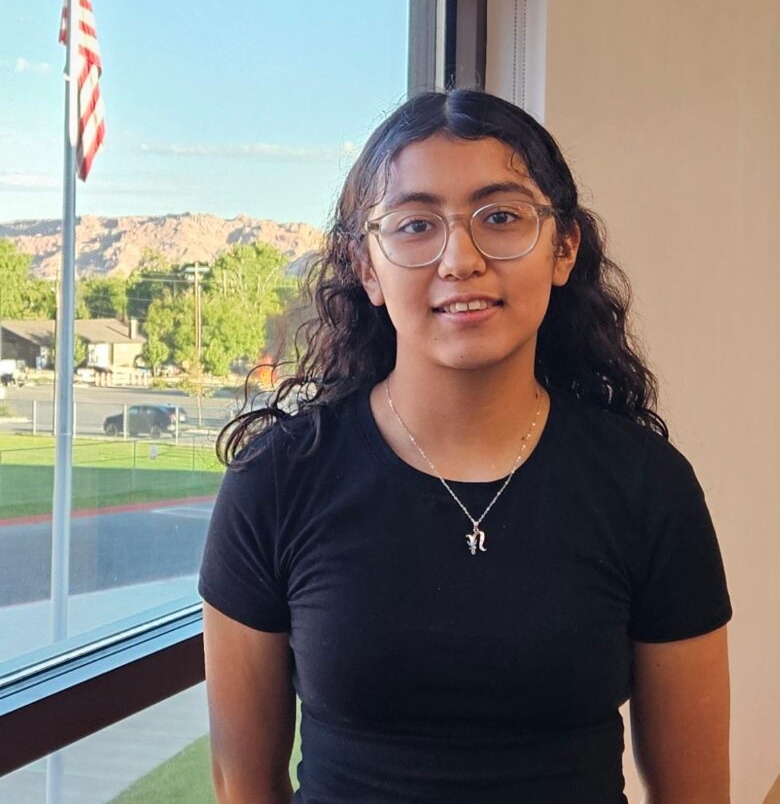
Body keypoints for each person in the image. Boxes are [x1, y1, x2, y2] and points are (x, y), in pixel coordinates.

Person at [198, 89, 732, 804]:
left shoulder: (647, 487)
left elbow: (696, 795)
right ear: (366, 269)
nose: (460, 259)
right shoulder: (276, 482)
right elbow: (244, 787)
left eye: (501, 217)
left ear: (563, 248)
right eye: (416, 225)